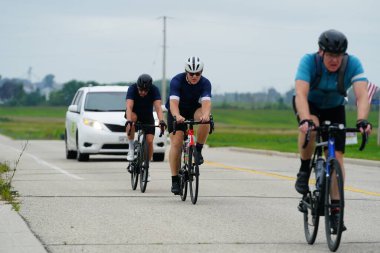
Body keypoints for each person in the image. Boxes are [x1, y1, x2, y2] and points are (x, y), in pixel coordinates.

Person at [293, 29, 372, 231]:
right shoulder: (309, 62)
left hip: (335, 108)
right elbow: (300, 94)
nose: (334, 60)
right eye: (330, 55)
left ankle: (336, 211)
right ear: (321, 52)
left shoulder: (352, 64)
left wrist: (362, 120)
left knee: (336, 156)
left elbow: (362, 95)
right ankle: (304, 168)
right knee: (310, 128)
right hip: (310, 106)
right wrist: (304, 119)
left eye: (338, 55)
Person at [166, 56, 212, 195]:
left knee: (206, 119)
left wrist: (205, 115)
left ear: (201, 72)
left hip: (194, 109)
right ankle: (174, 180)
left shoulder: (205, 83)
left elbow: (206, 103)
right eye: (191, 73)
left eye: (197, 73)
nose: (194, 76)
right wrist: (177, 116)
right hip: (177, 110)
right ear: (186, 72)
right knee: (177, 142)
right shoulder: (177, 80)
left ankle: (198, 149)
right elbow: (173, 103)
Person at [125, 74, 167, 169]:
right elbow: (129, 106)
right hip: (134, 113)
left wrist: (161, 121)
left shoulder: (154, 89)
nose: (143, 92)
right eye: (141, 90)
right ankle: (131, 148)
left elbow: (158, 107)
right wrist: (128, 120)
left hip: (147, 116)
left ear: (149, 88)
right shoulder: (132, 88)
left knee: (149, 141)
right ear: (137, 87)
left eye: (145, 90)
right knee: (131, 120)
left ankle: (146, 165)